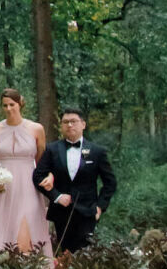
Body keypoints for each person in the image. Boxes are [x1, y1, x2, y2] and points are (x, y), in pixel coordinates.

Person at [32, 107, 118, 254]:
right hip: (61, 213)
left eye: (73, 121)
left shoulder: (97, 151)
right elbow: (37, 176)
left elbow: (110, 182)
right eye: (65, 122)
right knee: (64, 255)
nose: (69, 125)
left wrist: (100, 207)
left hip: (87, 212)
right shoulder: (52, 149)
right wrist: (57, 196)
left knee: (85, 255)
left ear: (83, 124)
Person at [0, 88, 53, 260]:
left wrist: (49, 177)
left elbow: (43, 162)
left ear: (20, 103)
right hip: (2, 186)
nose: (8, 109)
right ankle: (0, 268)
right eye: (4, 105)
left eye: (12, 104)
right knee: (2, 226)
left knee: (27, 225)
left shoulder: (36, 129)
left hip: (28, 184)